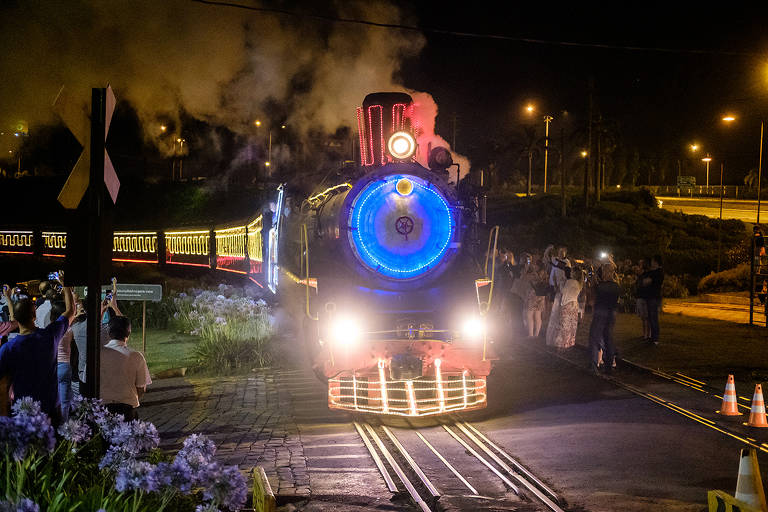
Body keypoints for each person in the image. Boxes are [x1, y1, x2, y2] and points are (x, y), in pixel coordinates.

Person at [0, 273, 75, 421]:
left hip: (23, 414)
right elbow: (70, 311)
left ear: (15, 318)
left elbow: (3, 385)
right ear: (34, 316)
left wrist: (4, 417)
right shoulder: (50, 336)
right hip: (50, 411)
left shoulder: (8, 349)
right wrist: (66, 285)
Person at [100, 316, 151, 421]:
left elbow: (86, 380)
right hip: (127, 410)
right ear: (128, 333)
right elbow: (141, 388)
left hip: (101, 410)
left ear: (109, 332)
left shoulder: (98, 355)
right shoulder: (136, 356)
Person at [589, 263, 622, 375]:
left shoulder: (601, 286)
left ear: (606, 272)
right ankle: (609, 366)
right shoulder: (616, 286)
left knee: (594, 338)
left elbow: (592, 294)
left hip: (600, 313)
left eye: (603, 271)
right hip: (611, 313)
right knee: (608, 339)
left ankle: (594, 365)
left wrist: (594, 280)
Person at [544, 245, 571, 346]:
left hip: (560, 285)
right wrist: (548, 249)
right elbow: (546, 258)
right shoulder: (555, 259)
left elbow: (567, 272)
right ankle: (552, 318)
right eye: (559, 251)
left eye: (562, 252)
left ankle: (557, 320)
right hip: (552, 283)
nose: (560, 253)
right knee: (551, 302)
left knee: (558, 302)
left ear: (565, 253)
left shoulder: (567, 262)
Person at [551, 268, 583, 350]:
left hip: (567, 304)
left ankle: (561, 344)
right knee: (571, 325)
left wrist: (561, 282)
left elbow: (563, 291)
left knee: (564, 324)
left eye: (572, 271)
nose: (571, 273)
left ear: (575, 274)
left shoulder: (571, 281)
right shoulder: (579, 283)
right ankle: (569, 343)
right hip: (574, 305)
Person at [521, 258, 547, 337]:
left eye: (534, 264)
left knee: (529, 314)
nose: (533, 265)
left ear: (537, 266)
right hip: (541, 296)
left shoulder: (534, 274)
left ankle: (531, 334)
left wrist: (526, 269)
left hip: (533, 295)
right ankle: (536, 334)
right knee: (537, 315)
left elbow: (523, 278)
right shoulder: (545, 273)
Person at [644, 255, 664, 345]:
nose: (651, 262)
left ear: (656, 262)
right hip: (651, 297)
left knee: (654, 317)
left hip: (654, 297)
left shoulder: (658, 272)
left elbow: (647, 281)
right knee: (651, 318)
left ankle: (655, 338)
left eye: (652, 261)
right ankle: (653, 337)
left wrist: (647, 281)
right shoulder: (653, 272)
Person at [635, 259, 651, 342]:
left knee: (646, 317)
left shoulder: (647, 274)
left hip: (645, 298)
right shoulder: (640, 275)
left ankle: (647, 334)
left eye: (640, 264)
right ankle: (644, 333)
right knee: (643, 317)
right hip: (640, 297)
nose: (638, 266)